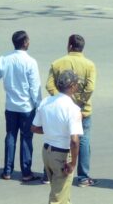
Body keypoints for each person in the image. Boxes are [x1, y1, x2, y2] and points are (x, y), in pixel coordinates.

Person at [0, 31, 42, 181]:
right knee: (26, 138)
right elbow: (35, 88)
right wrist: (40, 107)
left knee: (10, 136)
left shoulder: (4, 59)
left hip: (10, 107)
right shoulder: (30, 62)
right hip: (26, 108)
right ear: (24, 43)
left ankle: (7, 171)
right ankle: (26, 172)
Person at [46, 34, 97, 187]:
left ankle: (49, 174)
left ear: (69, 46)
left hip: (60, 109)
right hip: (83, 111)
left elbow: (49, 86)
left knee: (57, 139)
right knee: (83, 141)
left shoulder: (57, 63)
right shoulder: (89, 65)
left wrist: (64, 99)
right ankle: (82, 177)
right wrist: (77, 103)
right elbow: (90, 88)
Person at [34, 70, 85, 204]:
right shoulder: (72, 109)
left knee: (62, 194)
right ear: (72, 86)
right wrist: (73, 163)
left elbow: (34, 127)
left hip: (47, 153)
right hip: (62, 156)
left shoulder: (46, 102)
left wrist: (51, 131)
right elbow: (74, 141)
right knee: (58, 198)